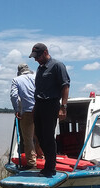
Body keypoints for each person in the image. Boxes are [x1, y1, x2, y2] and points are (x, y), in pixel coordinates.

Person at [29, 43, 70, 177]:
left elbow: (65, 86)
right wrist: (35, 107)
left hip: (51, 104)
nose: (36, 59)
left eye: (38, 56)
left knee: (48, 137)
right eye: (35, 57)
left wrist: (63, 107)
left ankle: (50, 168)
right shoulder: (40, 69)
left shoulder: (57, 65)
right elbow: (38, 90)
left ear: (46, 52)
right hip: (39, 105)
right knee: (39, 136)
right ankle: (48, 163)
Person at [10, 63, 42, 170]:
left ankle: (32, 163)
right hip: (40, 110)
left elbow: (14, 96)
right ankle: (43, 156)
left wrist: (17, 110)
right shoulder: (37, 77)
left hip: (27, 112)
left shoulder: (16, 80)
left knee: (28, 139)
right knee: (42, 136)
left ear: (19, 71)